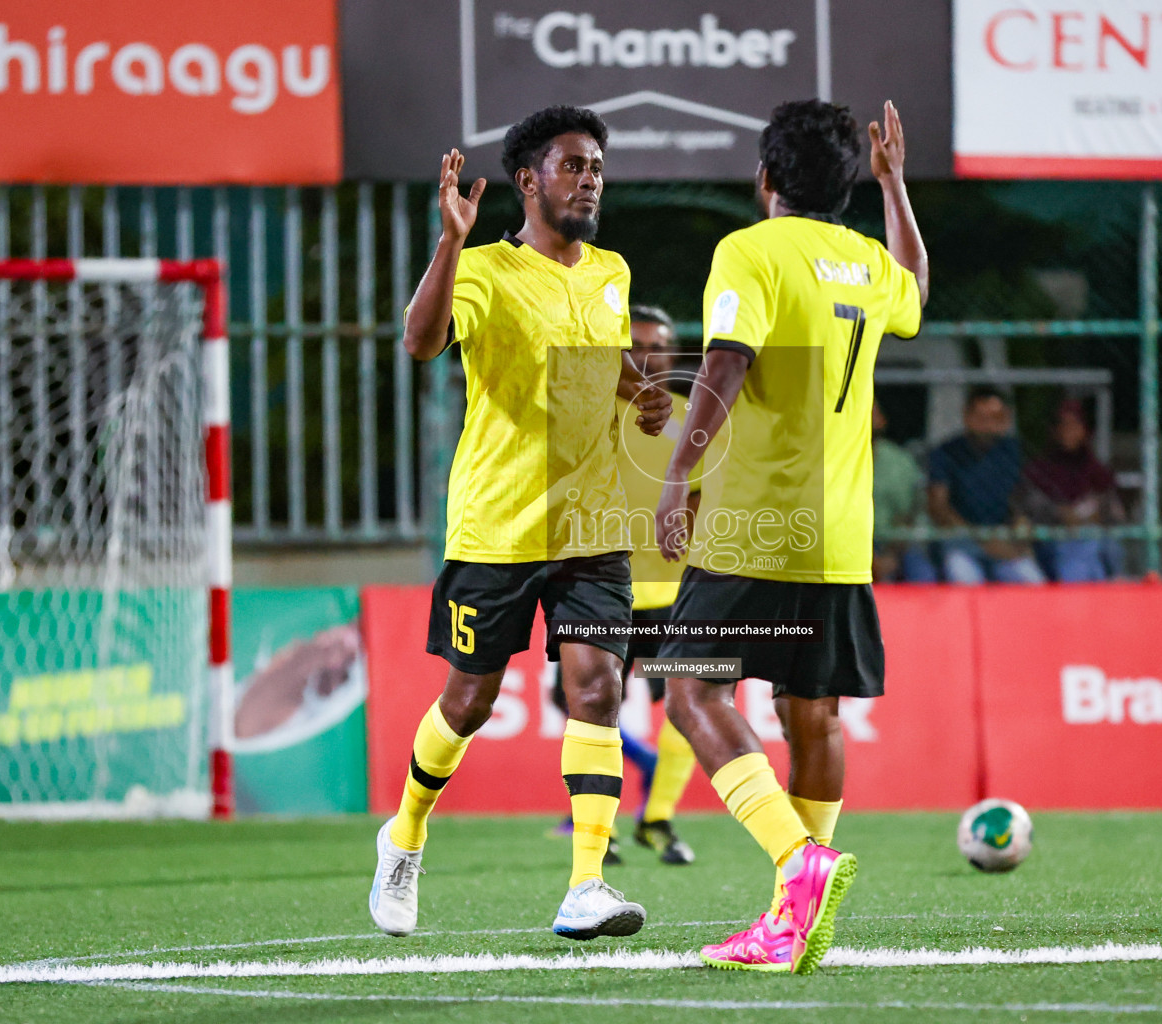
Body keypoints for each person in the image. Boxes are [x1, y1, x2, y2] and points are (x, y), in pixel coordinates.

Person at [369, 105, 672, 942]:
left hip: (593, 523)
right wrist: (448, 243)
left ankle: (586, 884)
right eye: (574, 165)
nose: (590, 180)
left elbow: (600, 357)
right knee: (468, 701)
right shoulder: (482, 271)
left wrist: (637, 392)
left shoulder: (611, 270)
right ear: (529, 180)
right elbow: (420, 342)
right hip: (498, 525)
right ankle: (405, 836)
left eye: (598, 168)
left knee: (599, 689)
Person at [654, 99, 927, 974]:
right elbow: (917, 288)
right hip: (840, 534)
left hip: (755, 525)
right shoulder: (868, 262)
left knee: (692, 695)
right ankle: (792, 923)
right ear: (848, 181)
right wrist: (896, 188)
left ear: (766, 179)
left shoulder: (749, 250)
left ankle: (796, 861)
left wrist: (678, 474)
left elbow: (726, 360)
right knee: (813, 713)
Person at [548, 305, 702, 865]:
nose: (646, 354)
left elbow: (708, 495)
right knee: (590, 706)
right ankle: (599, 828)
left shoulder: (693, 417)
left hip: (676, 594)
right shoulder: (586, 413)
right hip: (600, 587)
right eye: (633, 343)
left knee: (693, 700)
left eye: (657, 345)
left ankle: (658, 818)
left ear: (672, 351)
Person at [927, 386, 1045, 585]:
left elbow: (1024, 498)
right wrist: (984, 542)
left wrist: (1021, 525)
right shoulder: (945, 453)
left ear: (1006, 419)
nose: (988, 424)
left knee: (1033, 583)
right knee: (964, 581)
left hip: (1005, 541)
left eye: (996, 417)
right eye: (981, 417)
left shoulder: (1014, 452)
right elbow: (939, 509)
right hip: (961, 542)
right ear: (967, 416)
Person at [1022, 398, 1125, 582]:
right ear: (1053, 430)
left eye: (1075, 424)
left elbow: (1115, 514)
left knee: (1095, 545)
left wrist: (1094, 517)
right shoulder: (1038, 471)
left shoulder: (1097, 471)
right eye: (1064, 425)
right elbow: (1032, 512)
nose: (1069, 431)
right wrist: (1061, 514)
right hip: (1053, 540)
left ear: (1085, 430)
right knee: (1078, 550)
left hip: (1093, 537)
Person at [871, 401, 935, 582]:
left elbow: (909, 514)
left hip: (895, 542)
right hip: (849, 544)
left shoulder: (900, 461)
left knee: (924, 576)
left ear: (882, 420)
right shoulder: (831, 462)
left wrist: (891, 555)